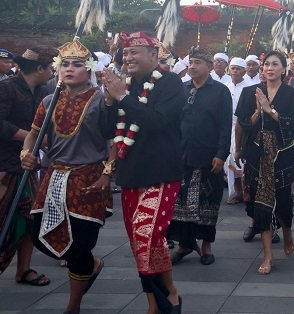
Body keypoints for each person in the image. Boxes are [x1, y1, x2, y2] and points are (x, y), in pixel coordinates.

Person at [20, 40, 112, 313]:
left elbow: (117, 138)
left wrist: (108, 173)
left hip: (89, 178)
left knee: (81, 243)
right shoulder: (49, 100)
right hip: (54, 176)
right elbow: (33, 134)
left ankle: (74, 304)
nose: (70, 69)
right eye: (65, 64)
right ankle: (89, 266)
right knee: (39, 237)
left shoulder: (101, 99)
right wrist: (26, 153)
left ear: (90, 69)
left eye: (77, 64)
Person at [101, 32, 186, 314]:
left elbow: (158, 122)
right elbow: (106, 130)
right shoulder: (121, 86)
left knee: (146, 235)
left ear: (153, 55)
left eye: (135, 52)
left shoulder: (170, 82)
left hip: (160, 173)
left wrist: (122, 97)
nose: (128, 58)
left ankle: (166, 297)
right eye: (126, 53)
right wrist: (111, 102)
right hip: (130, 174)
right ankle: (159, 301)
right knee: (144, 243)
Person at [236, 51, 294, 275]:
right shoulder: (249, 92)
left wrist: (270, 111)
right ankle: (267, 255)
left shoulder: (291, 94)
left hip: (281, 154)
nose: (270, 68)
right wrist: (257, 111)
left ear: (284, 69)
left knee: (282, 201)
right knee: (260, 204)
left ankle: (288, 230)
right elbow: (243, 124)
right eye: (267, 64)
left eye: (275, 64)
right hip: (257, 154)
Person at [169, 48, 232, 266]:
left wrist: (221, 154)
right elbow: (174, 122)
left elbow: (225, 126)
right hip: (182, 155)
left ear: (208, 66)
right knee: (183, 203)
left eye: (197, 62)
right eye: (190, 62)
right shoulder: (182, 89)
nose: (192, 67)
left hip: (209, 156)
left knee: (208, 203)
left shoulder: (220, 91)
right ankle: (184, 245)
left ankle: (206, 245)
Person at [0, 46, 56, 285]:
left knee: (30, 218)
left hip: (28, 164)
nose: (53, 71)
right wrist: (30, 137)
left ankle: (23, 269)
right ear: (40, 69)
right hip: (4, 164)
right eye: (51, 67)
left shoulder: (44, 92)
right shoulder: (7, 88)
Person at [224, 57, 252, 205]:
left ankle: (246, 191)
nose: (234, 71)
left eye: (237, 68)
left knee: (240, 159)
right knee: (228, 161)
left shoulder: (249, 88)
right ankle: (237, 192)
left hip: (242, 127)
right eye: (232, 68)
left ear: (244, 70)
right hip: (225, 127)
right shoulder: (225, 87)